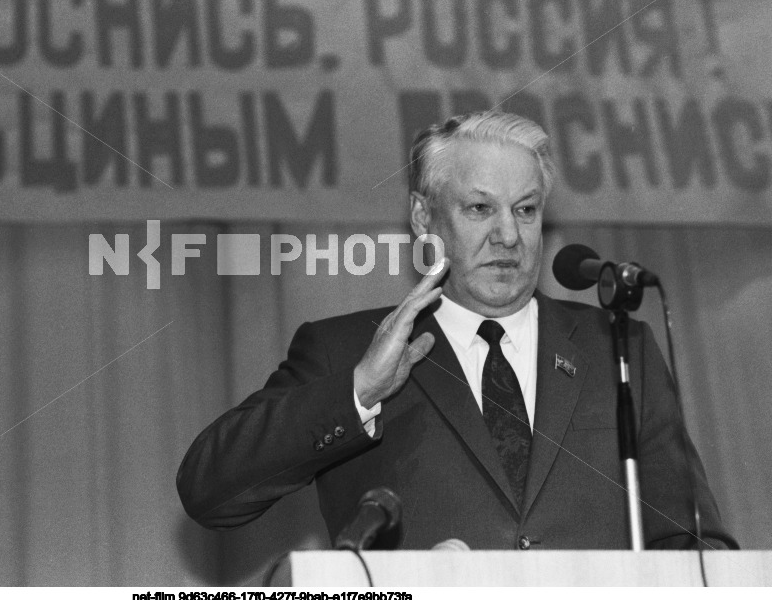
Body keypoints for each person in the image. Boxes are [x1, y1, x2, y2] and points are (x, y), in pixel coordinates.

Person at [176, 111, 737, 550]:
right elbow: (209, 490)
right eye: (479, 209)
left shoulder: (617, 348)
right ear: (424, 217)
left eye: (525, 210)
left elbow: (694, 544)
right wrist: (359, 391)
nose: (508, 236)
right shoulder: (345, 351)